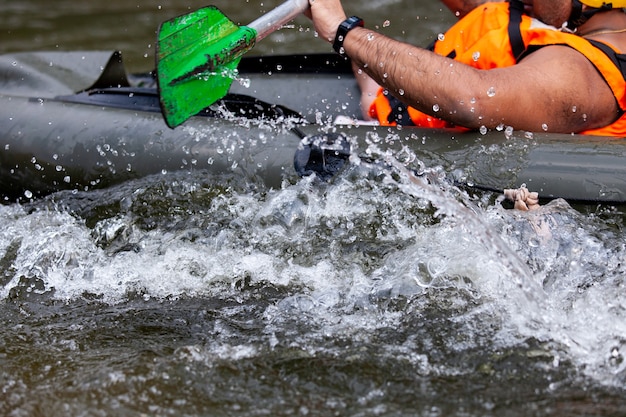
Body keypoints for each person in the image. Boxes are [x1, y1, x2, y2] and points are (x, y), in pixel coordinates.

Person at [307, 0, 626, 136]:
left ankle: (370, 91)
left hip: (407, 132)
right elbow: (476, 8)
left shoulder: (587, 73)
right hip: (390, 105)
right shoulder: (584, 29)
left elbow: (473, 100)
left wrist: (342, 30)